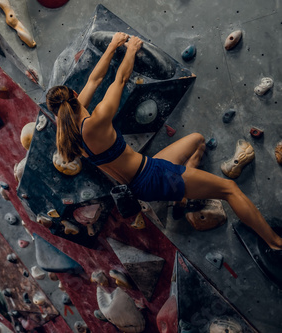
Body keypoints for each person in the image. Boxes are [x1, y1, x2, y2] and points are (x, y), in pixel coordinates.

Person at [46, 32, 282, 250]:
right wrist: (131, 49)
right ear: (74, 96)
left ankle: (183, 195)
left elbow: (94, 80)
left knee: (197, 141)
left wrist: (113, 45)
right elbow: (120, 80)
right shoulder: (95, 122)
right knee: (229, 190)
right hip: (153, 177)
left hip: (142, 178)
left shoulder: (66, 132)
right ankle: (275, 243)